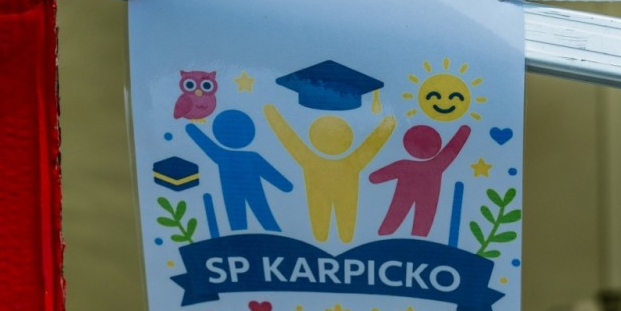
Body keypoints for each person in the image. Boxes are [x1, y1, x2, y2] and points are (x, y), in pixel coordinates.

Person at [263, 104, 394, 243]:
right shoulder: (353, 161)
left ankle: (333, 237)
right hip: (335, 198)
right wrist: (389, 121)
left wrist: (272, 114)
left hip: (325, 198)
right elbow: (373, 143)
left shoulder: (309, 159)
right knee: (341, 233)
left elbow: (288, 138)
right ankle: (339, 238)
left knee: (326, 231)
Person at [186, 109, 292, 232]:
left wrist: (191, 127)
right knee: (258, 217)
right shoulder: (246, 156)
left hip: (237, 192)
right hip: (244, 191)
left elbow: (206, 144)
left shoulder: (223, 156)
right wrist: (285, 186)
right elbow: (271, 174)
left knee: (243, 220)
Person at [370, 124, 471, 237]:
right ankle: (407, 234)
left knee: (397, 214)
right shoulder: (437, 165)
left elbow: (376, 177)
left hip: (406, 195)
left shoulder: (405, 165)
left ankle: (386, 232)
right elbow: (453, 148)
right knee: (422, 220)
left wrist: (374, 177)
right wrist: (463, 132)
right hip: (425, 197)